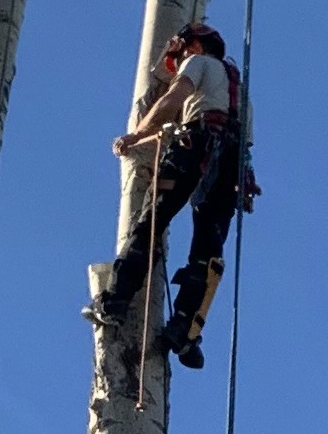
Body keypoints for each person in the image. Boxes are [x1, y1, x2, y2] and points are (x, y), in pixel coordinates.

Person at [101, 22, 251, 368]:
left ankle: (116, 301)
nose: (179, 59)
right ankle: (184, 329)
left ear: (194, 45)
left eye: (181, 52)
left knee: (153, 219)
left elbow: (174, 98)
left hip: (194, 147)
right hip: (230, 168)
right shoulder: (239, 90)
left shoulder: (197, 62)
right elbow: (246, 143)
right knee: (208, 252)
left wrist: (135, 136)